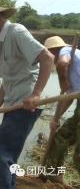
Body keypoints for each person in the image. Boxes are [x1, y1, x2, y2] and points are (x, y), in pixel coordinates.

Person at [0, 0, 54, 189]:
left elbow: (47, 58)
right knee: (7, 157)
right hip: (13, 105)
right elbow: (8, 79)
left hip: (26, 106)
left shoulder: (16, 32)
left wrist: (36, 94)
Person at [43, 36, 80, 182]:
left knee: (78, 156)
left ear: (53, 51)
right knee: (61, 137)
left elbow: (61, 64)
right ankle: (54, 174)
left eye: (49, 54)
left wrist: (62, 81)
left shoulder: (66, 52)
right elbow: (69, 97)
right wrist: (55, 118)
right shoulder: (75, 60)